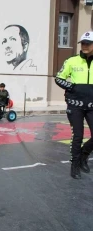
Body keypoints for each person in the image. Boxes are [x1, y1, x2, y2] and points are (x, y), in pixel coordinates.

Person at [55, 31, 93, 179]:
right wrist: (72, 88)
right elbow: (59, 78)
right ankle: (75, 165)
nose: (84, 46)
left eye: (88, 43)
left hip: (92, 105)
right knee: (78, 136)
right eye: (82, 43)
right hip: (75, 105)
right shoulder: (72, 61)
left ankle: (84, 154)